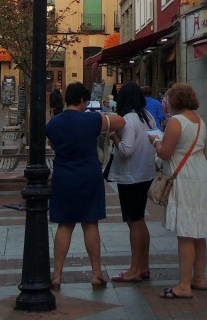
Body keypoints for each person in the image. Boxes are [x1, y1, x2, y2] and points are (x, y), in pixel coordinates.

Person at [46, 82, 126, 289]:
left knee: (65, 225)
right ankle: (96, 274)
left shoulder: (54, 123)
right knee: (90, 223)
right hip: (89, 174)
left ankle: (57, 275)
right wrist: (102, 115)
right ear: (83, 100)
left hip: (63, 175)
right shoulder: (91, 119)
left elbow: (54, 146)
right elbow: (120, 121)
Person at [152, 82, 207, 300]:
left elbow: (165, 153)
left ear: (174, 100)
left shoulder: (176, 122)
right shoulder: (199, 121)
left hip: (184, 180)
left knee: (186, 232)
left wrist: (155, 142)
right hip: (200, 176)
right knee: (198, 232)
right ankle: (199, 278)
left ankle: (183, 285)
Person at [108, 82, 156, 283]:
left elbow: (126, 150)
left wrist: (114, 137)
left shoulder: (128, 119)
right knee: (140, 220)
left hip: (131, 176)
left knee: (134, 222)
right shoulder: (147, 116)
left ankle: (134, 269)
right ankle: (144, 265)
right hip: (145, 173)